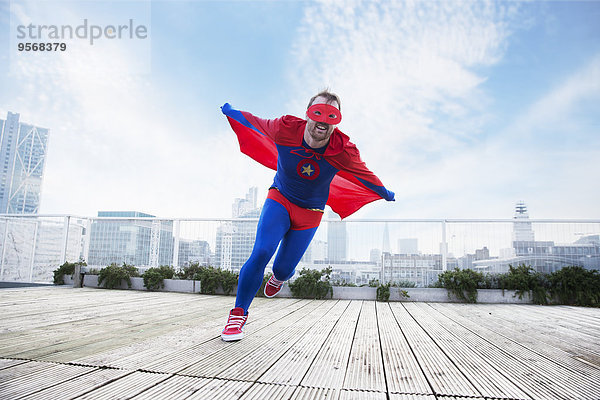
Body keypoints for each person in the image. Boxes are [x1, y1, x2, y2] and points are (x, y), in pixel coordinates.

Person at [219, 90, 394, 341]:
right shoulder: (285, 128)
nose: (322, 120)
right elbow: (254, 122)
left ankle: (279, 278)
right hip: (279, 199)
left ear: (336, 120)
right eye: (318, 112)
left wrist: (385, 192)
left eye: (330, 115)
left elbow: (366, 175)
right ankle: (238, 314)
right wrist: (232, 112)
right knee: (261, 252)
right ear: (308, 114)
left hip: (310, 214)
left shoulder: (343, 150)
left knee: (284, 268)